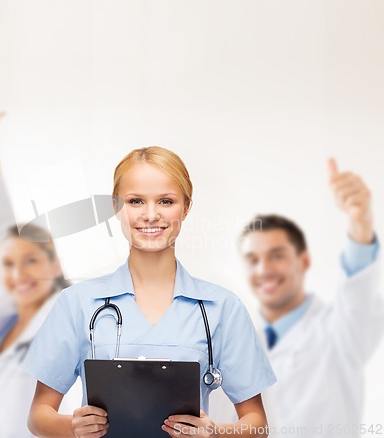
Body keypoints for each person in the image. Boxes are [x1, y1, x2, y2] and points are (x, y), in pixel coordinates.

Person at [24, 146, 277, 438]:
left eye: (166, 201)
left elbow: (257, 424)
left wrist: (216, 434)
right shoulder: (78, 304)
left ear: (186, 207)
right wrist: (72, 427)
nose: (151, 214)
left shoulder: (222, 308)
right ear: (116, 207)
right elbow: (38, 416)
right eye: (135, 201)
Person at [220, 158, 383, 437]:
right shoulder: (236, 341)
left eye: (277, 256)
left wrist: (360, 223)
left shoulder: (340, 331)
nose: (264, 270)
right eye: (253, 259)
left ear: (303, 261)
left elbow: (358, 295)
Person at [0, 113, 82, 438]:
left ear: (55, 265)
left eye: (31, 260)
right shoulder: (3, 316)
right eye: (9, 264)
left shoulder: (68, 317)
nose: (19, 274)